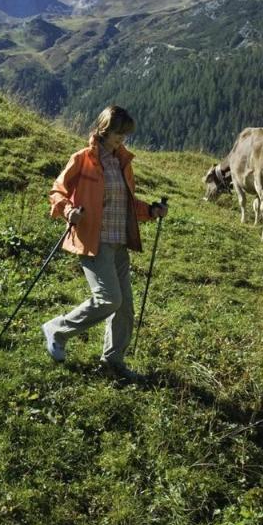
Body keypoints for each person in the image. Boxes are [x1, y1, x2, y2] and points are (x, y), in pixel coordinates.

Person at [41, 105, 167, 383]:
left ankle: (113, 360)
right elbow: (57, 191)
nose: (123, 138)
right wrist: (67, 210)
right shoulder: (82, 159)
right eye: (118, 133)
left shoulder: (122, 162)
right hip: (93, 239)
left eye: (125, 133)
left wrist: (150, 211)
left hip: (119, 241)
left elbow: (127, 203)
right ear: (104, 130)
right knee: (109, 299)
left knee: (124, 308)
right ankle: (57, 330)